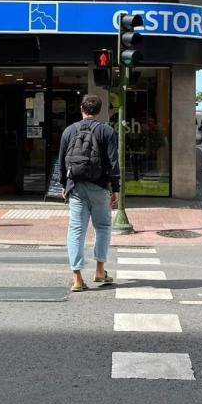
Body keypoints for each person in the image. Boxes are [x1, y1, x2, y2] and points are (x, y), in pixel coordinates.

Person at [56, 94, 120, 293]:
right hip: (99, 186)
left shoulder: (69, 131)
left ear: (81, 109)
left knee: (76, 230)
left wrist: (63, 185)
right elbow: (113, 162)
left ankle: (77, 278)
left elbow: (61, 161)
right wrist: (115, 188)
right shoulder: (106, 131)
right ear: (99, 110)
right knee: (102, 226)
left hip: (75, 187)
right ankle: (100, 270)